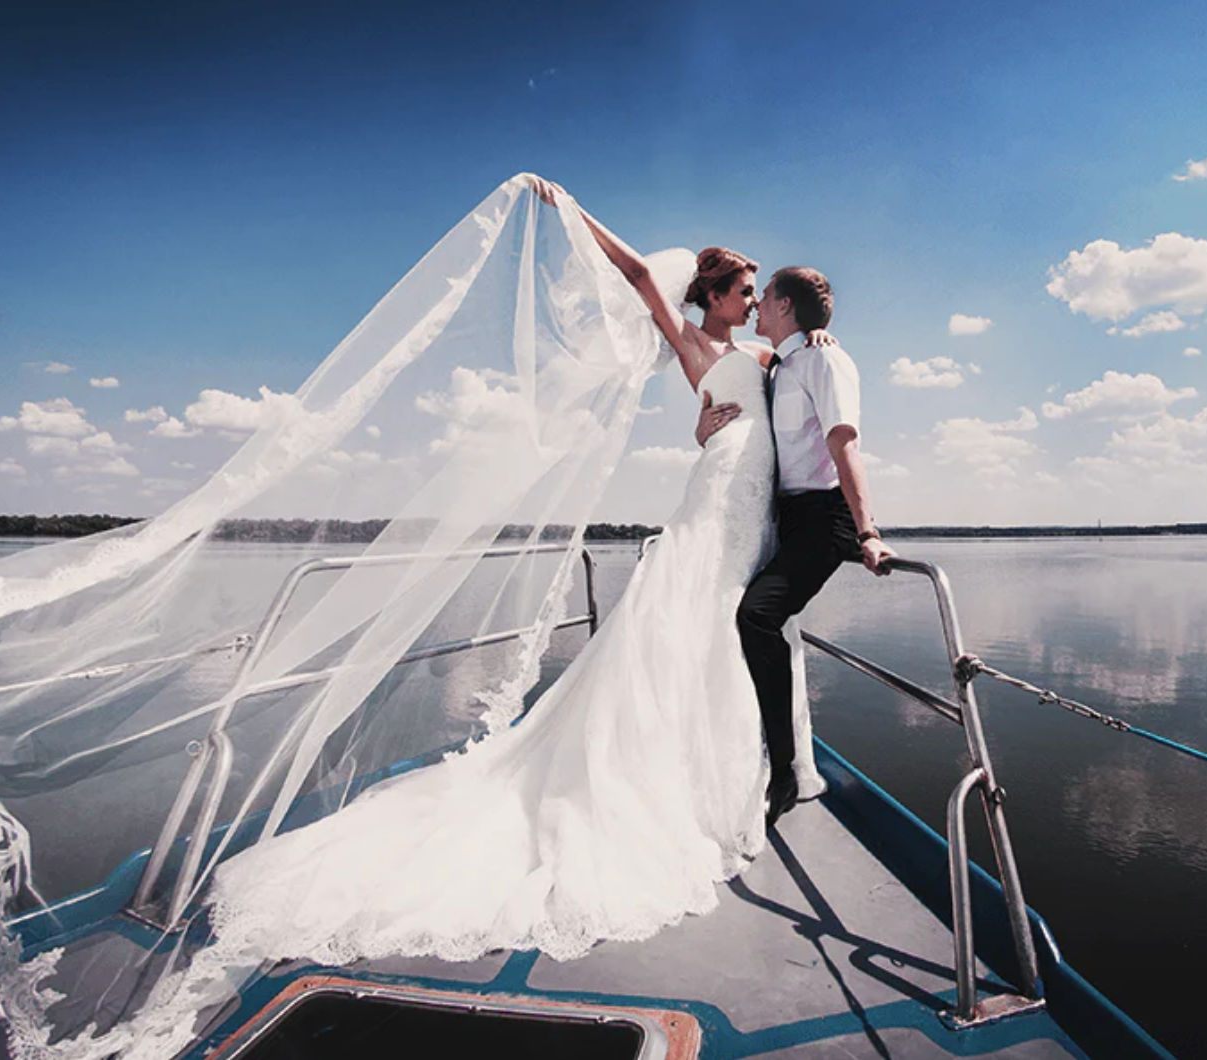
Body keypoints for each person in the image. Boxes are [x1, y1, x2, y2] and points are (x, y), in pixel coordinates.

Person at [203, 178, 835, 969]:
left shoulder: (771, 353)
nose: (753, 300)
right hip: (715, 505)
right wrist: (567, 206)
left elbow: (797, 391)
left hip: (757, 510)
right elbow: (640, 275)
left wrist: (753, 394)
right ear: (711, 295)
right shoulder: (696, 343)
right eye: (744, 291)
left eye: (755, 293)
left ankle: (757, 768)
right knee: (691, 624)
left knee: (735, 630)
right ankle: (670, 784)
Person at [700, 266, 896, 828]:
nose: (756, 307)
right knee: (737, 619)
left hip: (823, 519)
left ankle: (783, 772)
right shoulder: (779, 365)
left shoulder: (826, 360)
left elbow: (844, 445)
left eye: (763, 299)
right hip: (781, 516)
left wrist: (868, 533)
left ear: (784, 306)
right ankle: (753, 753)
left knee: (758, 616)